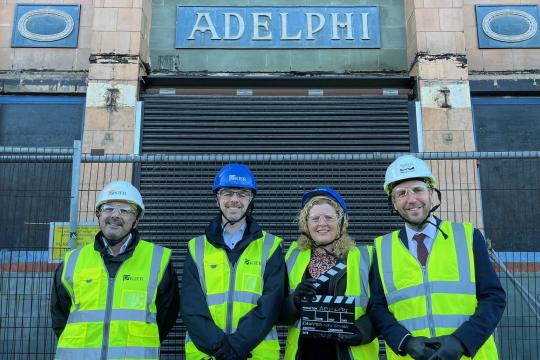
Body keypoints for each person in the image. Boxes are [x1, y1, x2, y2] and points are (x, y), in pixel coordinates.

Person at [369, 155, 506, 359]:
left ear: (431, 193)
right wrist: (405, 342)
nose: (411, 199)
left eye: (418, 190)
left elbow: (493, 297)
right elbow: (377, 306)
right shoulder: (381, 248)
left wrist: (461, 341)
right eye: (401, 193)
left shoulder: (468, 237)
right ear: (394, 203)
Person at [50, 180, 180, 359]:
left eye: (125, 210)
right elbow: (60, 316)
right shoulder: (73, 260)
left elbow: (166, 315)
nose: (115, 215)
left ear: (136, 220)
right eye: (108, 208)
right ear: (98, 214)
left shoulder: (158, 260)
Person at [181, 163, 286, 360]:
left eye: (242, 194)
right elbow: (191, 307)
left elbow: (271, 304)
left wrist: (237, 346)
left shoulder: (270, 246)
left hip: (254, 354)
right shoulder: (196, 247)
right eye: (227, 193)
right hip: (208, 354)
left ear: (251, 198)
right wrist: (220, 348)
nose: (234, 200)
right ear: (217, 198)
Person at [280, 187, 379, 359]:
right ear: (306, 223)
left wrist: (362, 330)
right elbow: (277, 312)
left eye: (329, 217)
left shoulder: (366, 257)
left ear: (342, 222)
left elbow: (382, 307)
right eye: (315, 218)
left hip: (351, 354)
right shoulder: (293, 256)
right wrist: (294, 301)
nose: (322, 223)